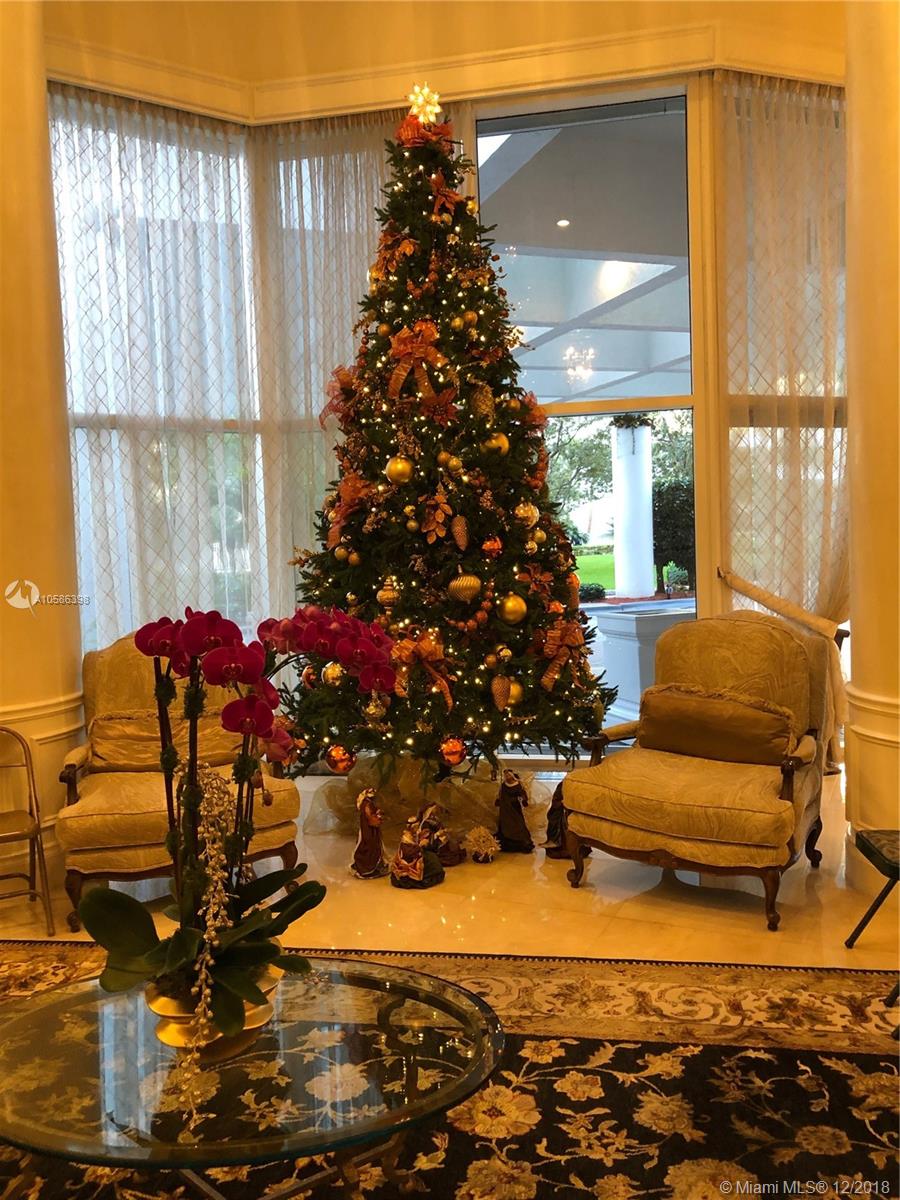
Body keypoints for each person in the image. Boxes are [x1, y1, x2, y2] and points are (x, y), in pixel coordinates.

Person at [390, 819, 445, 889]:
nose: (418, 828)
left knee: (433, 857)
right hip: (409, 860)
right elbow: (408, 853)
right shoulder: (406, 838)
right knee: (431, 861)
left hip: (418, 854)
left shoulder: (416, 834)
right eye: (416, 827)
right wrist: (420, 845)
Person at [350, 788, 389, 879]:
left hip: (372, 828)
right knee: (369, 845)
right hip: (368, 828)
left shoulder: (370, 804)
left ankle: (375, 866)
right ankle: (366, 869)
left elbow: (373, 813)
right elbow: (370, 817)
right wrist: (377, 817)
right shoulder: (366, 804)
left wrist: (378, 813)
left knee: (375, 845)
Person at [417, 801, 467, 867]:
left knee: (452, 844)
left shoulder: (435, 820)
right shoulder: (425, 823)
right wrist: (437, 834)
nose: (435, 812)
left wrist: (445, 831)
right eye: (433, 811)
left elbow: (440, 828)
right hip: (433, 845)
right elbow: (426, 839)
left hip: (439, 840)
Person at [495, 769, 534, 853]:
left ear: (512, 775)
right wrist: (498, 801)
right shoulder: (503, 785)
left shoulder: (518, 784)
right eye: (505, 775)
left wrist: (523, 800)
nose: (507, 776)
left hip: (515, 808)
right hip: (505, 810)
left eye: (508, 774)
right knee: (505, 825)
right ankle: (507, 844)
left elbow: (522, 794)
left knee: (519, 824)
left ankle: (523, 843)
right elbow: (500, 795)